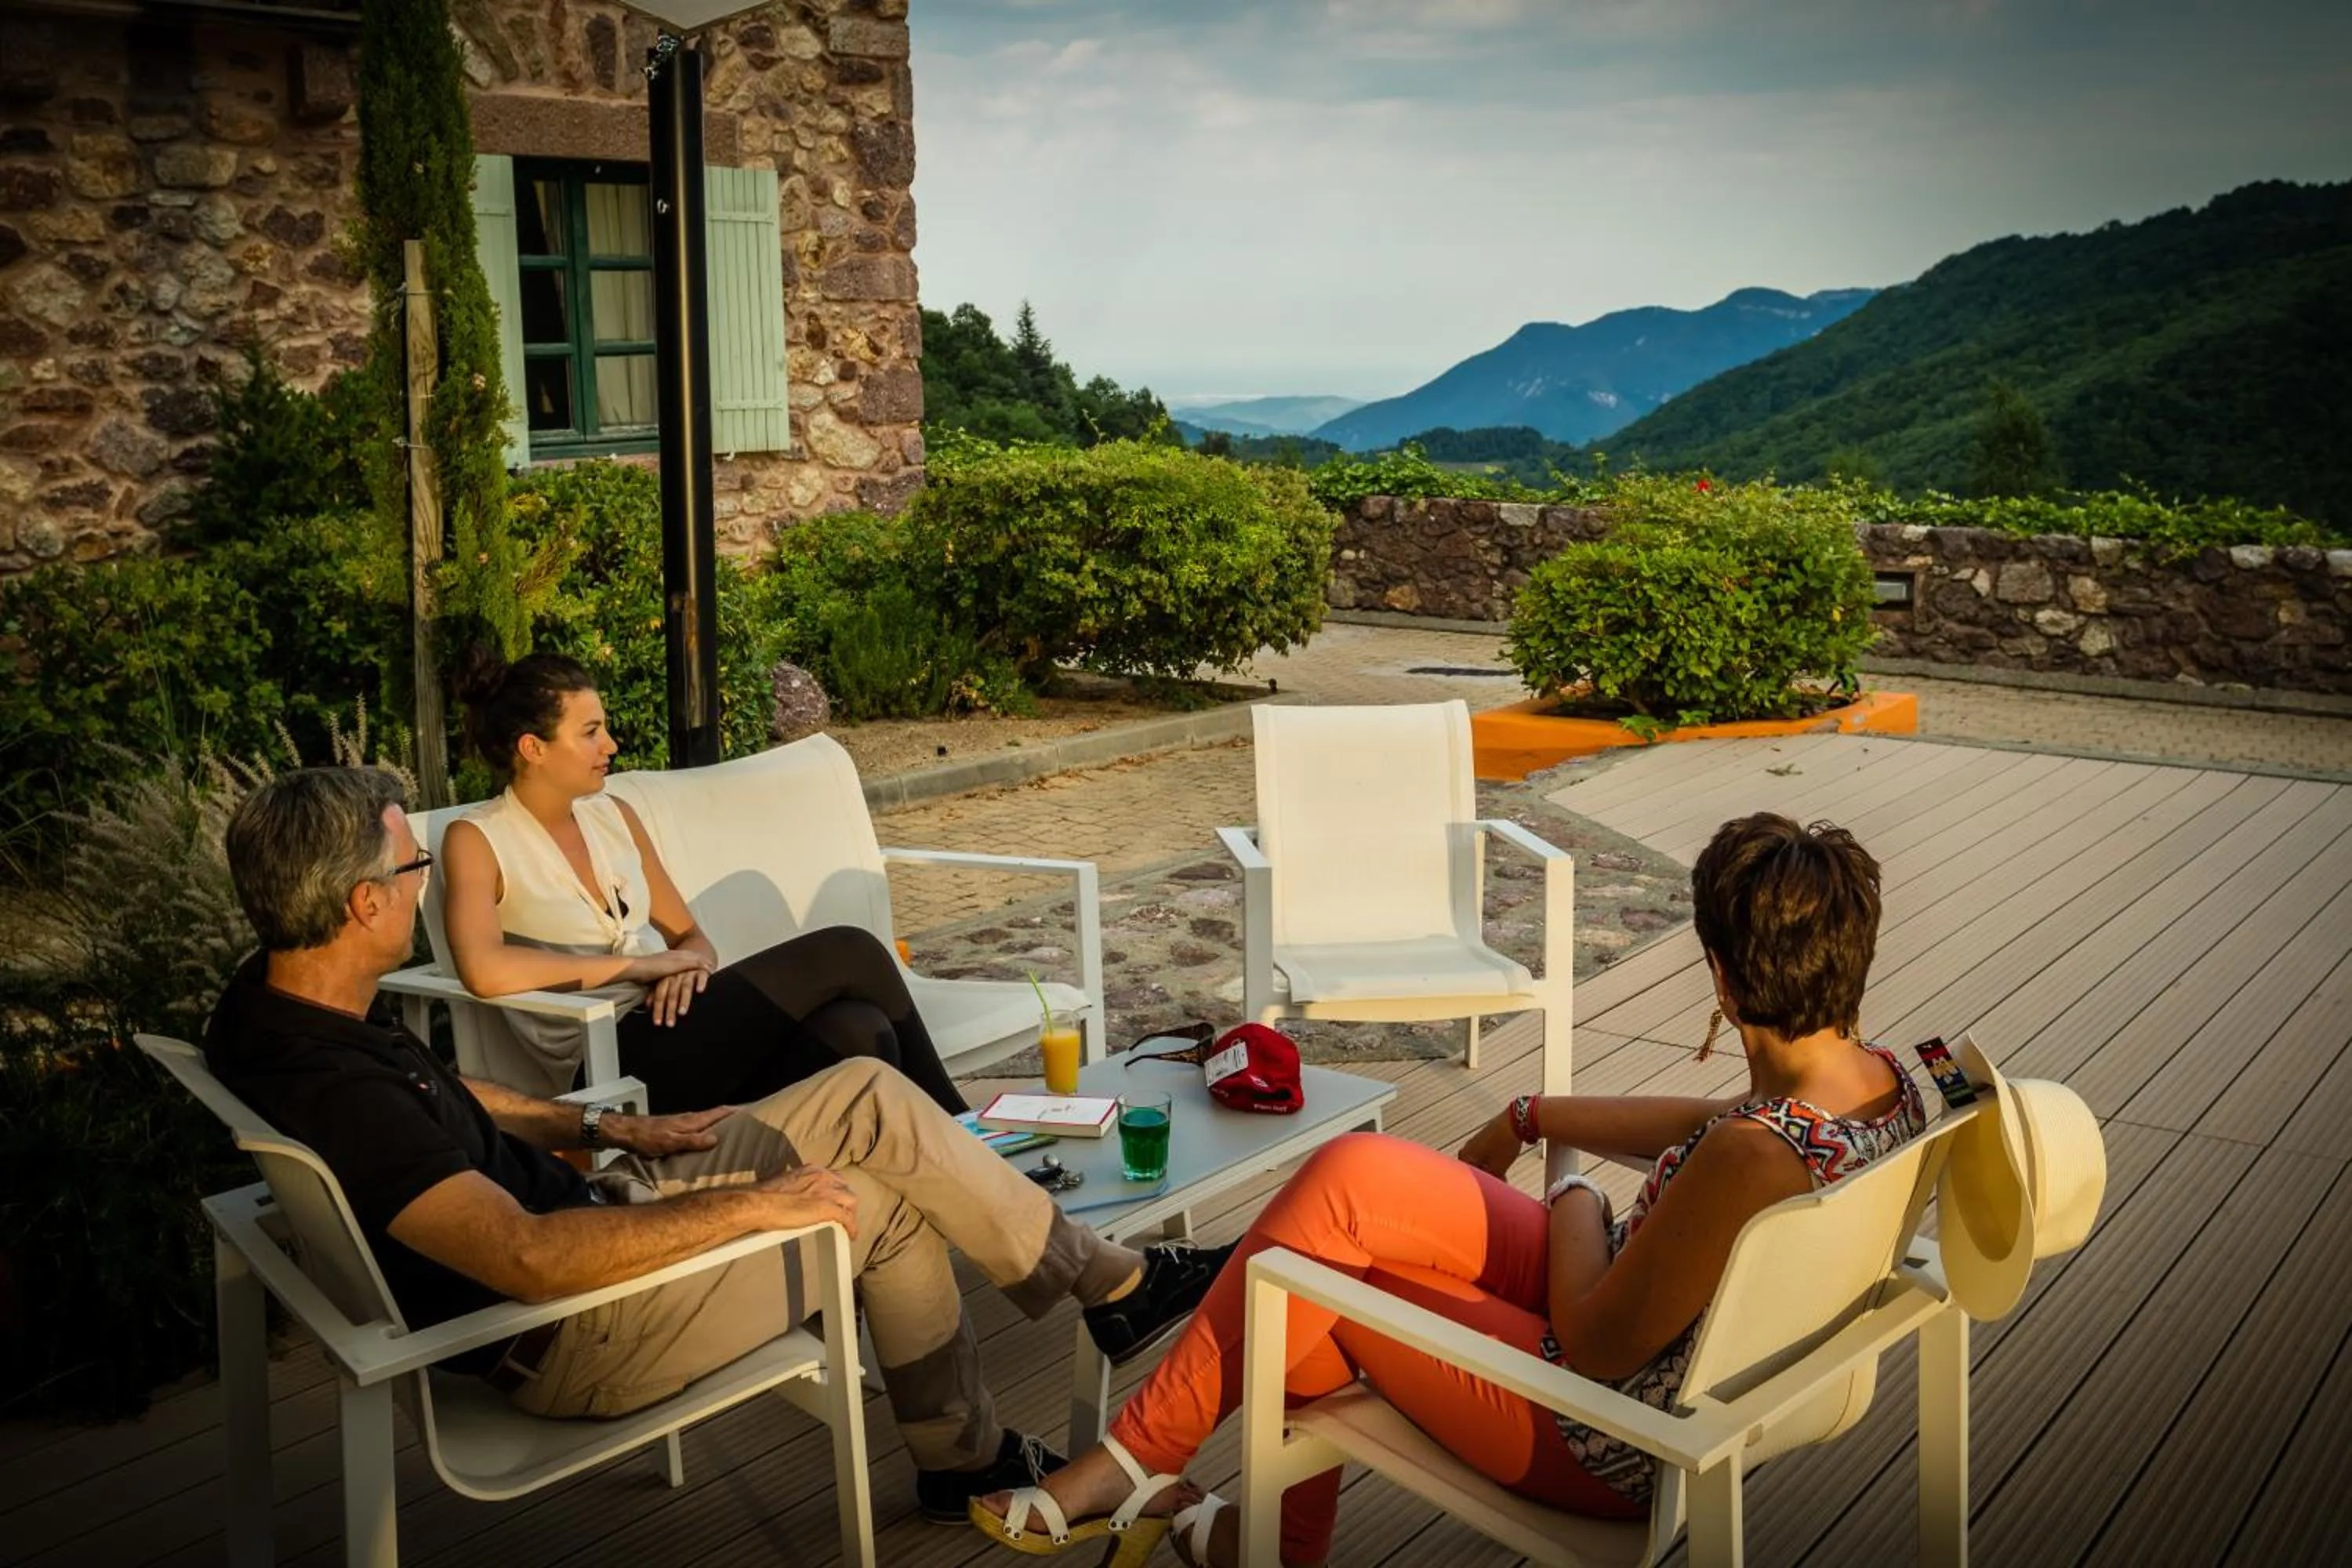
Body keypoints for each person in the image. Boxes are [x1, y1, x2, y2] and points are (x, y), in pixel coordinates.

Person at [205, 766, 1231, 1523]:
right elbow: (522, 1257)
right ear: (362, 903)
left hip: (606, 1194)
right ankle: (1003, 1413)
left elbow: (441, 1088)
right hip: (586, 1327)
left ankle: (1106, 1296)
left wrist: (603, 1124)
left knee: (871, 1092)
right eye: (413, 865)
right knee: (871, 1199)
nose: (425, 883)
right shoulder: (336, 1086)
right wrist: (746, 1205)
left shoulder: (283, 1003)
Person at [970, 813, 1927, 1566]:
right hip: (1677, 1353)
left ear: (1719, 974)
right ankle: (1174, 1484)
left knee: (1302, 1270)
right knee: (1347, 1180)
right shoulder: (1876, 1084)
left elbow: (1591, 1343)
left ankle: (1157, 1481)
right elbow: (1710, 1124)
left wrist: (1575, 1198)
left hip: (1604, 1431)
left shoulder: (1751, 1157)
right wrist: (1534, 1115)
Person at [439, 648, 967, 1116]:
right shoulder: (478, 838)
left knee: (857, 1030)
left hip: (678, 1023)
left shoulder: (613, 815)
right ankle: (967, 1133)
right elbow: (484, 970)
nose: (612, 744)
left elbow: (693, 938)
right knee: (848, 950)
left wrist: (684, 970)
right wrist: (642, 966)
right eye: (591, 732)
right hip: (607, 1059)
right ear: (534, 748)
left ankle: (905, 1191)